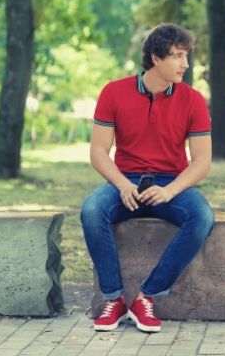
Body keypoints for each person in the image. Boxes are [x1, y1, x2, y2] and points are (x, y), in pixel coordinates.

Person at [80, 23, 214, 333]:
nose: (186, 64)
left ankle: (146, 297)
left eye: (186, 56)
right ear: (156, 57)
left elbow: (203, 161)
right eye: (177, 56)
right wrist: (122, 184)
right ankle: (114, 300)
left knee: (202, 217)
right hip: (125, 179)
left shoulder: (193, 100)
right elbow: (99, 152)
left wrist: (170, 191)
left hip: (172, 182)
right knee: (91, 210)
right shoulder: (114, 92)